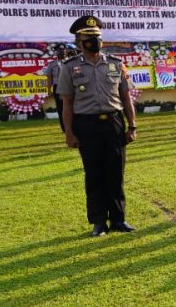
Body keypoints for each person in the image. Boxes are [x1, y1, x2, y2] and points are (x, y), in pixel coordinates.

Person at [55, 16, 138, 235]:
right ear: (79, 42)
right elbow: (67, 104)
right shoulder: (69, 68)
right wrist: (69, 133)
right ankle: (98, 221)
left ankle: (119, 219)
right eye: (89, 37)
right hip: (87, 125)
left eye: (97, 37)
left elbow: (126, 98)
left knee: (116, 173)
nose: (94, 41)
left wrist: (133, 126)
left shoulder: (116, 64)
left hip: (114, 122)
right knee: (94, 174)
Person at [45, 44, 67, 132]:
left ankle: (74, 127)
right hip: (57, 87)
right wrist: (48, 90)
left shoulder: (70, 62)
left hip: (69, 87)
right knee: (61, 108)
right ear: (56, 52)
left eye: (63, 50)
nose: (62, 52)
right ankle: (64, 128)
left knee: (72, 107)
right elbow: (49, 78)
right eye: (60, 51)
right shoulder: (52, 64)